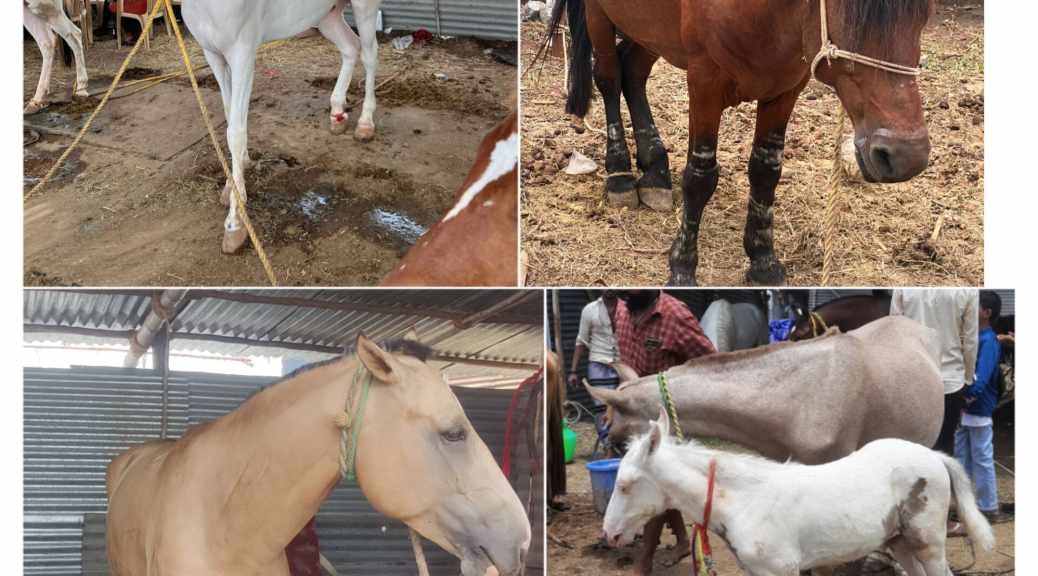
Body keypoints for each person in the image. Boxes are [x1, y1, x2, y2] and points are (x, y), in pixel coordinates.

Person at [612, 289, 716, 575]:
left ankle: (643, 563)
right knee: (656, 481)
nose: (621, 291)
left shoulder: (675, 315)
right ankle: (682, 541)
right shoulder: (621, 308)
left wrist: (678, 390)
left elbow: (710, 363)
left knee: (653, 480)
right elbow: (625, 358)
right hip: (637, 415)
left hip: (668, 418)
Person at [890, 289, 978, 456]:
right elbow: (970, 340)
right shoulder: (968, 290)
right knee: (945, 448)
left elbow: (894, 332)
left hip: (913, 378)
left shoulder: (902, 287)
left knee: (911, 446)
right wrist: (967, 378)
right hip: (951, 380)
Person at [954, 291, 1004, 526]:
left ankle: (988, 506)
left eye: (976, 306)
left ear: (986, 313)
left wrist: (967, 397)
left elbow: (981, 379)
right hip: (966, 407)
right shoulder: (975, 337)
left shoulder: (988, 341)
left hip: (977, 406)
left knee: (982, 457)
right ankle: (964, 504)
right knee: (960, 457)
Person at [567, 290, 621, 395]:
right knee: (601, 405)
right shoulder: (590, 309)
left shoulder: (627, 308)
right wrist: (573, 371)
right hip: (598, 365)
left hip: (622, 365)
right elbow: (581, 340)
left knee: (624, 406)